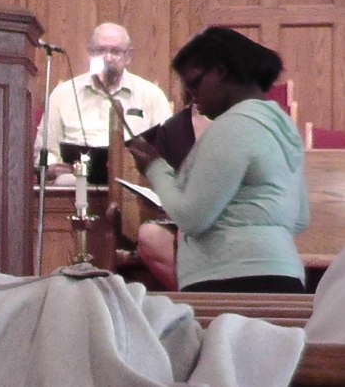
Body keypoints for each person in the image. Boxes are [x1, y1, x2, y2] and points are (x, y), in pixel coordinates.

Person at [128, 26, 309, 293]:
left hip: (232, 276)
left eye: (194, 84)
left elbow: (191, 218)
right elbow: (300, 217)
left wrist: (154, 168)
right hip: (282, 271)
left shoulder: (233, 126)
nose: (192, 98)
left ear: (220, 72)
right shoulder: (283, 127)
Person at [33, 22, 172, 180]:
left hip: (134, 179)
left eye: (115, 51)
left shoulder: (151, 95)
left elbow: (169, 150)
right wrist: (52, 167)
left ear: (128, 56)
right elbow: (44, 150)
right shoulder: (63, 94)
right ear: (90, 53)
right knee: (65, 181)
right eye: (100, 51)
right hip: (77, 178)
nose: (108, 58)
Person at [133, 96, 211, 290]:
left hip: (229, 220)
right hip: (183, 221)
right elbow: (166, 185)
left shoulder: (239, 125)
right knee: (150, 235)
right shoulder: (173, 128)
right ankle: (195, 296)